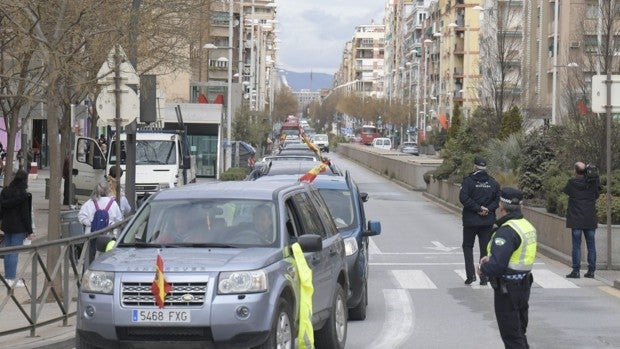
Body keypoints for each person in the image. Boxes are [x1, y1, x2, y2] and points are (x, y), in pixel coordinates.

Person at [478, 187, 537, 349]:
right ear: (521, 206)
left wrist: (484, 267)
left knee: (512, 337)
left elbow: (497, 265)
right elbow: (515, 255)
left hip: (507, 290)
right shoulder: (526, 226)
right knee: (519, 333)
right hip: (523, 285)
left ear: (501, 206)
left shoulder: (506, 231)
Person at [459, 155, 500, 285]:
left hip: (471, 221)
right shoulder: (493, 182)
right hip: (487, 221)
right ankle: (484, 277)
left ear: (474, 166)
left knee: (467, 246)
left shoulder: (468, 181)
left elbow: (463, 198)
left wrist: (477, 208)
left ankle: (471, 275)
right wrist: (487, 209)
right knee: (485, 249)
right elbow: (497, 200)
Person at [564, 161, 601, 279]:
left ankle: (576, 271)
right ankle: (591, 271)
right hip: (590, 219)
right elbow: (596, 195)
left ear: (575, 171)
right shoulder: (592, 183)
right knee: (591, 245)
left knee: (576, 245)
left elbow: (566, 192)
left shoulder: (571, 183)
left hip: (576, 219)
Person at [1, 170, 34, 287]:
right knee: (14, 253)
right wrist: (30, 230)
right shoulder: (24, 195)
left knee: (8, 251)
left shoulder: (5, 191)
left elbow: (2, 209)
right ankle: (11, 278)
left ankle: (6, 277)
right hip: (19, 227)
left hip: (7, 225)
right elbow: (26, 214)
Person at [78, 181, 123, 262]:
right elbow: (119, 220)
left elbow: (81, 217)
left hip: (91, 235)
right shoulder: (113, 203)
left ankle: (88, 271)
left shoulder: (89, 203)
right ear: (108, 191)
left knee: (90, 258)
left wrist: (92, 223)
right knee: (107, 259)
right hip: (109, 235)